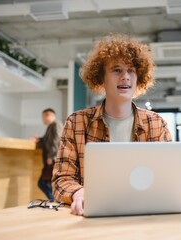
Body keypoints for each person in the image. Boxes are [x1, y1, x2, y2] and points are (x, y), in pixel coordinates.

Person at [52, 34, 172, 216]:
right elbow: (62, 178)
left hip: (144, 215)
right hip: (92, 215)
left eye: (131, 70)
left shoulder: (155, 123)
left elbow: (167, 177)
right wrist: (78, 192)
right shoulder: (76, 122)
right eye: (117, 70)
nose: (125, 77)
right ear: (102, 78)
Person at [32, 108, 62, 201]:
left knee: (42, 183)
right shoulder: (51, 126)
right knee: (47, 183)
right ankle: (54, 201)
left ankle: (54, 201)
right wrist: (39, 139)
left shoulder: (56, 124)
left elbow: (56, 141)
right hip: (51, 159)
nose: (43, 119)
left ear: (48, 115)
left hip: (52, 159)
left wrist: (50, 156)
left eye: (43, 117)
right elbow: (47, 140)